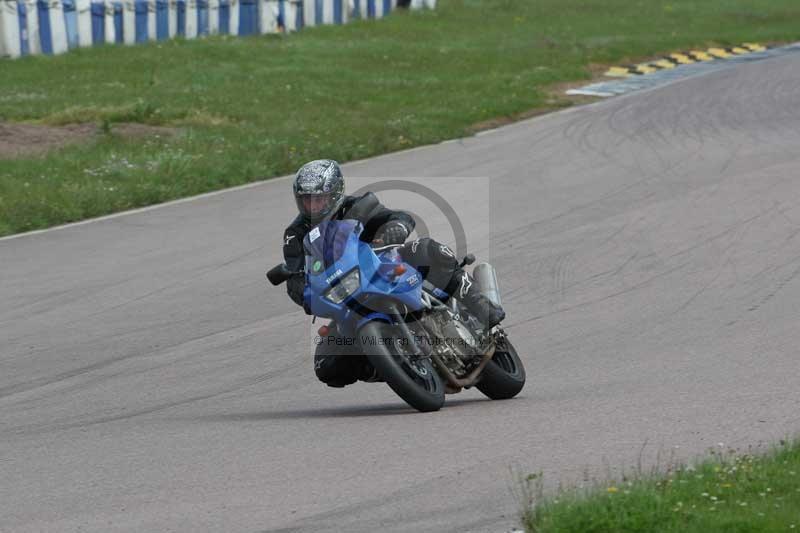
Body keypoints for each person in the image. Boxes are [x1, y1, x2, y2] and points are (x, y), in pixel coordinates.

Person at [281, 159, 505, 387]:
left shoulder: (357, 206)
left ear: (336, 192)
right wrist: (305, 294)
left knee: (430, 250)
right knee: (327, 366)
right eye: (306, 200)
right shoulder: (295, 234)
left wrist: (394, 229)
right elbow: (294, 276)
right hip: (345, 295)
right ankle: (391, 365)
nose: (313, 206)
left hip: (385, 266)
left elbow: (397, 217)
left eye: (319, 199)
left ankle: (481, 305)